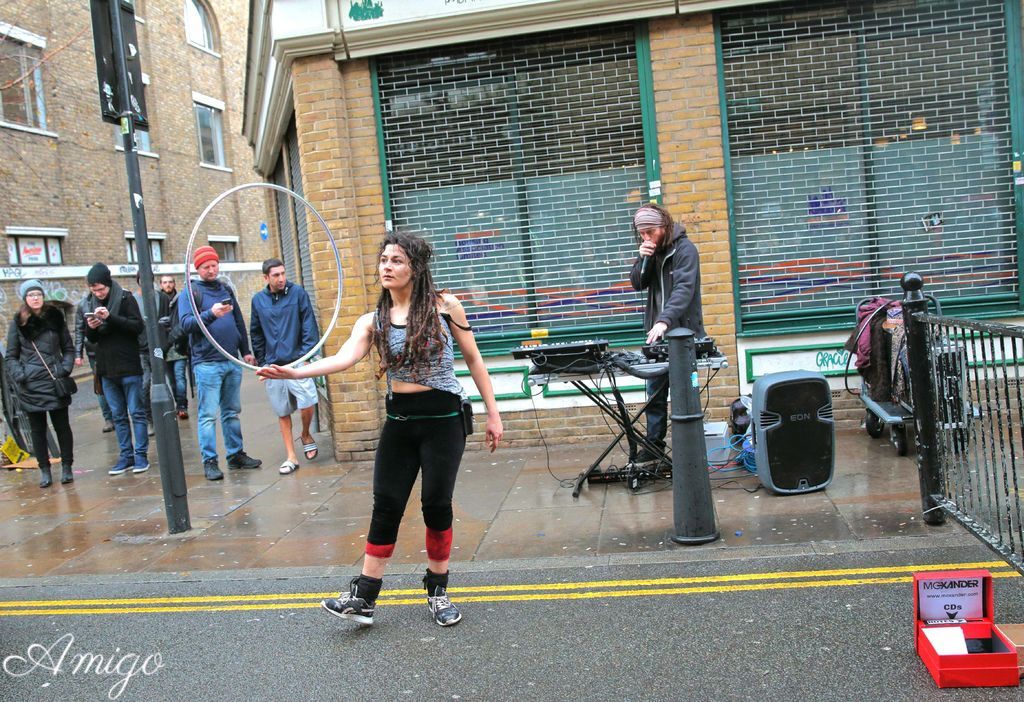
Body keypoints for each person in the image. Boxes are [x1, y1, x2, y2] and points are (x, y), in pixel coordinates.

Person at [258, 232, 504, 628]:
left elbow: (475, 361)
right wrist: (295, 371)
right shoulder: (372, 320)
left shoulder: (446, 306)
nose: (386, 267)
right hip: (401, 421)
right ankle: (364, 596)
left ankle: (438, 590)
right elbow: (343, 358)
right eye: (384, 260)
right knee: (386, 505)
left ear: (415, 268)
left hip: (443, 421)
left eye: (396, 261)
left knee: (435, 505)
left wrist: (494, 414)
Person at [628, 203, 704, 464]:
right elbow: (638, 283)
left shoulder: (685, 251)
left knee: (686, 396)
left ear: (664, 226)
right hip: (657, 336)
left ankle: (691, 452)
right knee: (655, 396)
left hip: (682, 334)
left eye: (651, 232)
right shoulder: (651, 251)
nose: (646, 237)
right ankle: (654, 448)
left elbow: (684, 290)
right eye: (642, 233)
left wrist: (664, 320)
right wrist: (644, 259)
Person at [178, 245, 262, 481]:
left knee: (232, 411)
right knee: (207, 415)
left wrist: (245, 351)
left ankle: (235, 455)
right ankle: (210, 461)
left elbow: (238, 321)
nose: (211, 270)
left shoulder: (225, 288)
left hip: (231, 360)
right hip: (207, 363)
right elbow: (186, 324)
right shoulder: (190, 292)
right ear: (198, 268)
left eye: (214, 265)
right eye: (206, 267)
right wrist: (211, 314)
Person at [250, 258, 320, 475]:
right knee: (282, 411)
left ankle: (306, 433)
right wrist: (262, 362)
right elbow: (256, 332)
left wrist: (307, 355)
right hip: (273, 363)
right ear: (266, 278)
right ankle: (291, 456)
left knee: (307, 402)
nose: (281, 279)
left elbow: (309, 323)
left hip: (297, 361)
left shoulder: (298, 293)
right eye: (275, 275)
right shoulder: (258, 300)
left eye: (283, 273)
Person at [5, 280, 76, 488]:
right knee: (38, 429)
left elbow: (68, 349)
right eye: (30, 295)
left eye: (38, 294)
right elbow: (11, 356)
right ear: (25, 299)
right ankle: (44, 469)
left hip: (54, 382)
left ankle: (67, 467)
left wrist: (63, 369)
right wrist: (21, 374)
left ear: (43, 296)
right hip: (31, 385)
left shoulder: (56, 318)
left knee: (62, 427)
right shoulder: (18, 323)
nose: (35, 298)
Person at [83, 263, 149, 475]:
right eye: (94, 290)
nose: (98, 293)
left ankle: (141, 456)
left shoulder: (125, 298)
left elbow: (137, 326)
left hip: (128, 365)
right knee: (118, 416)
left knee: (137, 413)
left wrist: (110, 317)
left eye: (101, 289)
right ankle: (125, 456)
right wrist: (91, 328)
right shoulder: (90, 302)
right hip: (106, 369)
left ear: (109, 283)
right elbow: (91, 339)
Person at [73, 296, 115, 433]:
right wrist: (78, 354)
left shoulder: (115, 298)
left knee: (117, 382)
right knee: (100, 385)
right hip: (94, 351)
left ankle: (119, 414)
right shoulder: (83, 304)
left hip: (113, 348)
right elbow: (79, 330)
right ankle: (108, 418)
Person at [134, 271, 167, 436]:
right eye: (142, 279)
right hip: (140, 349)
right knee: (145, 385)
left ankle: (165, 416)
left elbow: (167, 320)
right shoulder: (133, 299)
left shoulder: (161, 297)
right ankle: (150, 420)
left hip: (158, 348)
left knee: (161, 383)